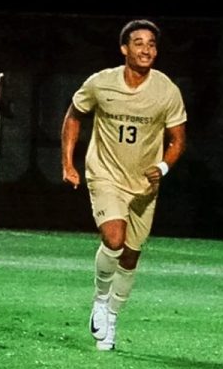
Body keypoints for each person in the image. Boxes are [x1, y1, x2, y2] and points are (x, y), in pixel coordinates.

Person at [61, 19, 187, 352]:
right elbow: (74, 116)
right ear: (124, 49)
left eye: (151, 44)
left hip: (144, 185)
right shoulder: (101, 83)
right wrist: (68, 164)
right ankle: (100, 300)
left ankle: (112, 317)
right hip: (105, 174)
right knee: (113, 238)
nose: (146, 49)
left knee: (131, 256)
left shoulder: (166, 90)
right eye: (139, 43)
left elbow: (177, 139)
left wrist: (162, 165)